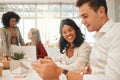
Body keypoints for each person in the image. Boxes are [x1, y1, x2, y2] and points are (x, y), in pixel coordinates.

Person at [32, 0, 120, 80]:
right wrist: (90, 73)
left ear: (101, 11)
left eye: (85, 16)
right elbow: (102, 72)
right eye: (81, 17)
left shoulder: (116, 32)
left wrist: (58, 71)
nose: (82, 21)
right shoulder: (100, 37)